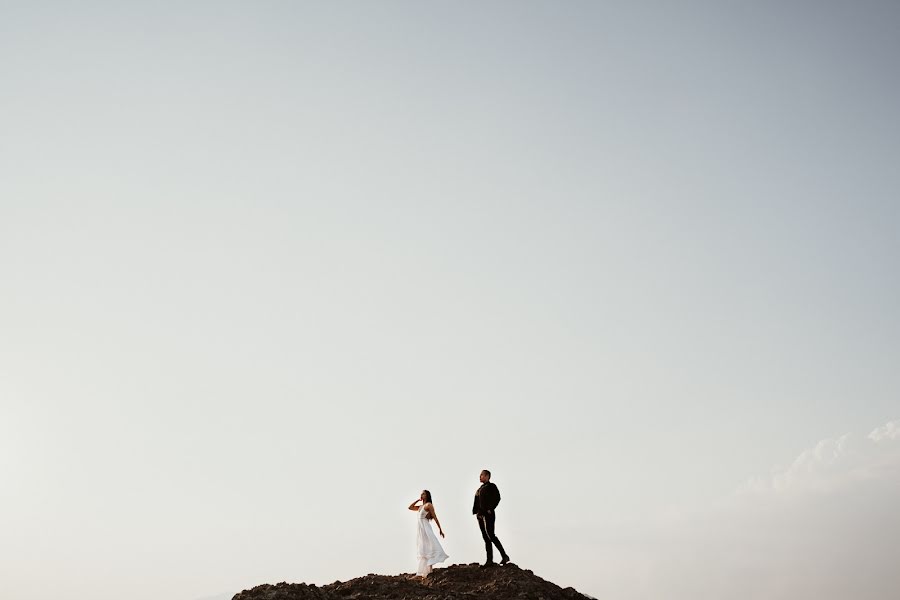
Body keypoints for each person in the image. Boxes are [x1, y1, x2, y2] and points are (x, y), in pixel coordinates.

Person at [472, 469, 510, 567]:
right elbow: (477, 502)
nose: (480, 477)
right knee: (485, 537)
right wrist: (476, 512)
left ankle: (504, 555)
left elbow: (497, 497)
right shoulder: (480, 488)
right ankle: (489, 560)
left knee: (491, 535)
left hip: (488, 514)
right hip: (480, 516)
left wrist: (490, 508)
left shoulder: (491, 486)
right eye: (480, 475)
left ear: (487, 476)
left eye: (482, 475)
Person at [408, 490, 448, 577]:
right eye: (421, 493)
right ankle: (425, 572)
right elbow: (410, 507)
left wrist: (440, 529)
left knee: (429, 546)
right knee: (423, 548)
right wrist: (418, 500)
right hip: (420, 529)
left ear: (427, 496)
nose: (421, 495)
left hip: (426, 528)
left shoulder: (428, 505)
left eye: (423, 494)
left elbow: (435, 517)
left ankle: (425, 571)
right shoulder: (420, 506)